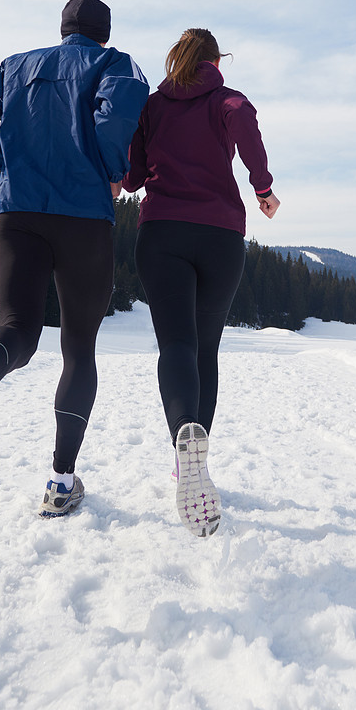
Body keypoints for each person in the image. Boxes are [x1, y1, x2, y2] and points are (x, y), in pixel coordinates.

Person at [0, 0, 149, 516]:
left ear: (63, 27)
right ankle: (60, 481)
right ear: (104, 31)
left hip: (18, 216)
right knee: (78, 347)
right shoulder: (116, 63)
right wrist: (114, 170)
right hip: (84, 218)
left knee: (17, 328)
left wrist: (12, 164)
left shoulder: (15, 65)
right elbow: (114, 120)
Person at [122, 27, 279, 538]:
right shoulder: (226, 99)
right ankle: (196, 461)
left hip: (162, 232)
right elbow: (245, 124)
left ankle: (181, 447)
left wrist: (125, 177)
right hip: (220, 236)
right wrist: (263, 188)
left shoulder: (152, 105)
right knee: (206, 350)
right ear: (215, 60)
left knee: (177, 346)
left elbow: (134, 176)